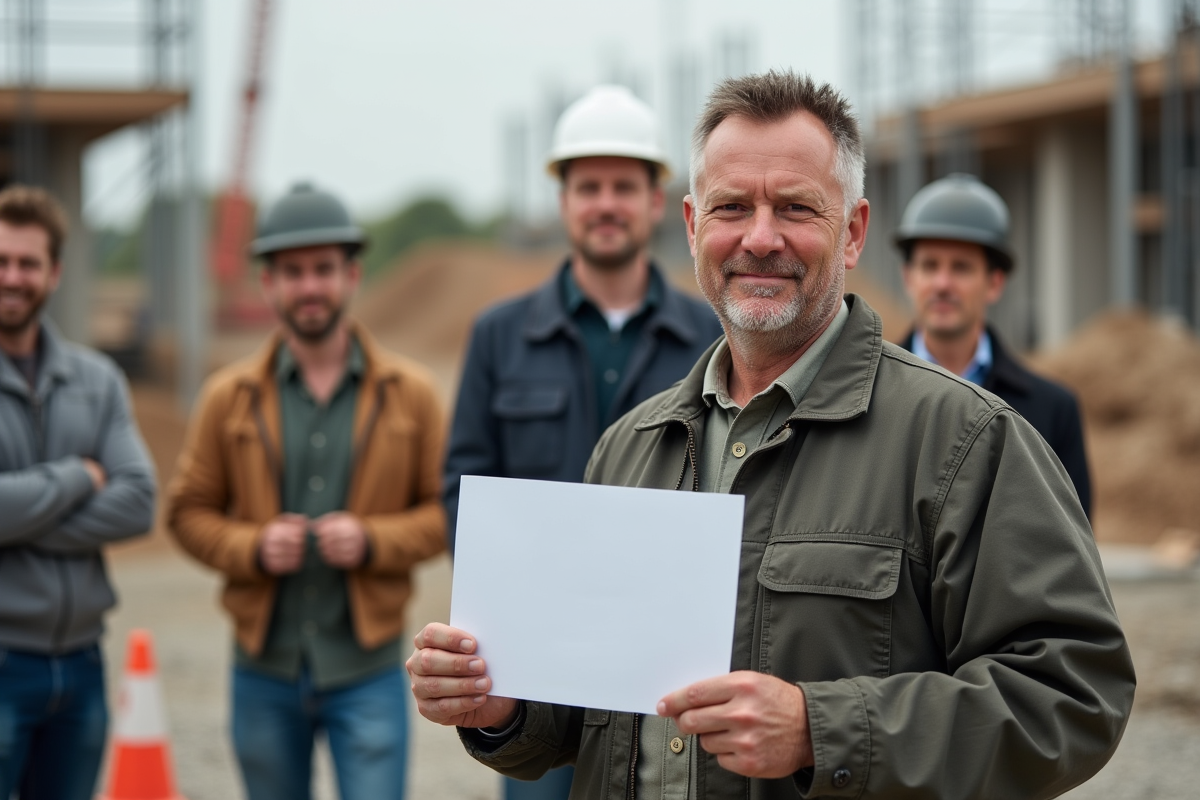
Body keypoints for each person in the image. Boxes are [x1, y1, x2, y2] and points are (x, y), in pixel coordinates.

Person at [408, 72, 1135, 799]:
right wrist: (505, 708)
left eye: (794, 207)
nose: (760, 237)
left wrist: (822, 731)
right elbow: (596, 708)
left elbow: (1072, 694)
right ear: (692, 227)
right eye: (732, 207)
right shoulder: (629, 447)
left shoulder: (964, 441)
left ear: (851, 232)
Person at [441, 86, 723, 800]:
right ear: (563, 201)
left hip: (669, 665)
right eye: (588, 185)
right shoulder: (499, 336)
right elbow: (463, 486)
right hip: (538, 667)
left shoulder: (713, 339)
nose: (606, 203)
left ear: (658, 201)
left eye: (625, 186)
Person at [166, 183, 446, 800]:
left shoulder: (413, 394)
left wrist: (372, 540)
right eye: (291, 272)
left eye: (323, 269)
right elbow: (186, 513)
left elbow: (447, 515)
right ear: (267, 284)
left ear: (351, 275)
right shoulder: (226, 397)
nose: (309, 286)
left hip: (368, 668)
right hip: (262, 670)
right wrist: (253, 546)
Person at [0, 184, 156, 799]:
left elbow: (139, 501)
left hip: (84, 666)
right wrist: (77, 478)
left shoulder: (97, 379)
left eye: (28, 262)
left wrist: (20, 520)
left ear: (55, 272)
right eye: (1, 260)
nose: (12, 276)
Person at [895, 173, 1092, 515]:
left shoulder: (1054, 411)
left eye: (961, 267)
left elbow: (1071, 548)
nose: (942, 284)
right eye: (930, 266)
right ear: (908, 278)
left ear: (995, 282)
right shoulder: (864, 397)